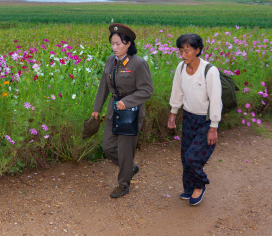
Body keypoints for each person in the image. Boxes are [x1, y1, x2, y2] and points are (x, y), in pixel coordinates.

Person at [92, 23, 154, 198]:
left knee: (125, 150)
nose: (114, 47)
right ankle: (130, 168)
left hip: (131, 113)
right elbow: (104, 86)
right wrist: (97, 109)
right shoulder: (111, 61)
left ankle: (123, 184)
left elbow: (147, 90)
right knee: (108, 146)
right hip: (113, 111)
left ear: (128, 43)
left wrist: (127, 101)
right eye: (112, 43)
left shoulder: (138, 64)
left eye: (118, 43)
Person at [167, 33, 222, 206]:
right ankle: (189, 188)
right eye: (181, 51)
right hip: (189, 117)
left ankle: (200, 185)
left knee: (192, 157)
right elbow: (177, 91)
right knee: (185, 157)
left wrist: (213, 127)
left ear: (198, 50)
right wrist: (173, 113)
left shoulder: (210, 71)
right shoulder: (181, 68)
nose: (183, 55)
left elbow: (216, 100)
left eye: (187, 51)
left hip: (206, 120)